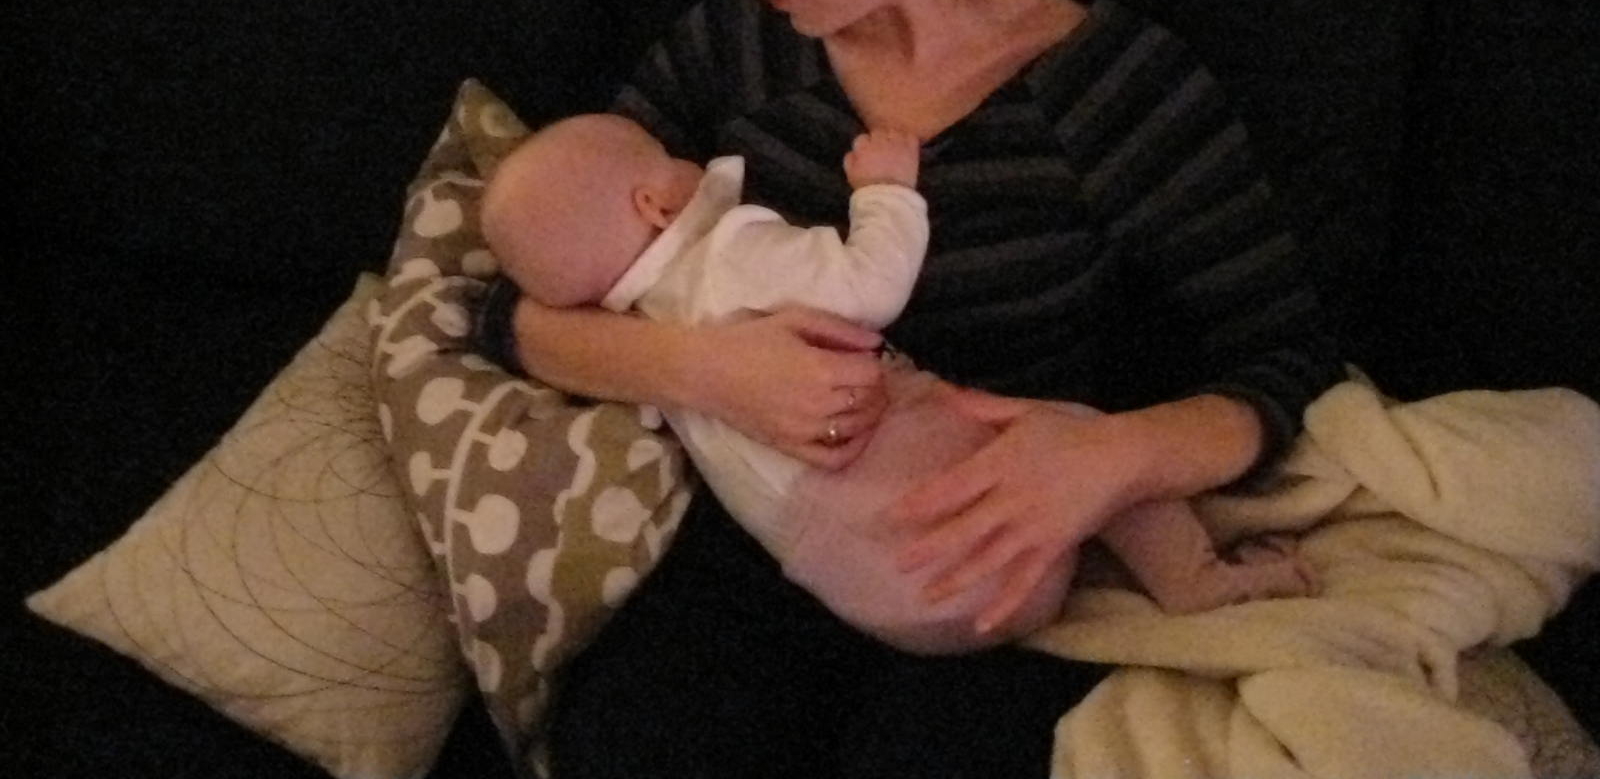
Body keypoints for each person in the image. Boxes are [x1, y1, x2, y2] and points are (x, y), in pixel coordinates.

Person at [476, 0, 1342, 777]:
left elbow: (1287, 358)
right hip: (768, 538)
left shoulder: (1112, 90)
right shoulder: (737, 52)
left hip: (994, 559)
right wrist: (706, 370)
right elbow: (518, 307)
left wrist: (1111, 458)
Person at [480, 114, 1315, 653]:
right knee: (1077, 433)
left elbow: (1282, 344)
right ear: (657, 203)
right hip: (962, 538)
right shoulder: (732, 252)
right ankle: (1195, 579)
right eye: (671, 158)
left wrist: (681, 369)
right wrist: (885, 192)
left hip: (871, 595)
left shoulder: (633, 332)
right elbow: (869, 289)